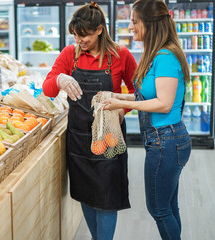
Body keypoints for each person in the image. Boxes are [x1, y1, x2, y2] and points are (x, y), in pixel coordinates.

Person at [42, 2, 137, 240]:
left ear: (99, 30)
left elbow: (140, 91)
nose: (78, 40)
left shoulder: (120, 55)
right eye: (75, 35)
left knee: (107, 198)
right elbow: (47, 89)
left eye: (83, 35)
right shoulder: (69, 55)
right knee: (86, 194)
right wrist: (61, 79)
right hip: (79, 138)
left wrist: (122, 110)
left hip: (109, 136)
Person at [103, 0, 192, 239]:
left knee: (159, 209)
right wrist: (117, 95)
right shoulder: (156, 54)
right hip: (164, 141)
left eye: (134, 21)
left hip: (167, 141)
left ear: (150, 24)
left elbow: (163, 103)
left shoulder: (166, 57)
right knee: (169, 207)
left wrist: (122, 103)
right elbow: (148, 95)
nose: (130, 26)